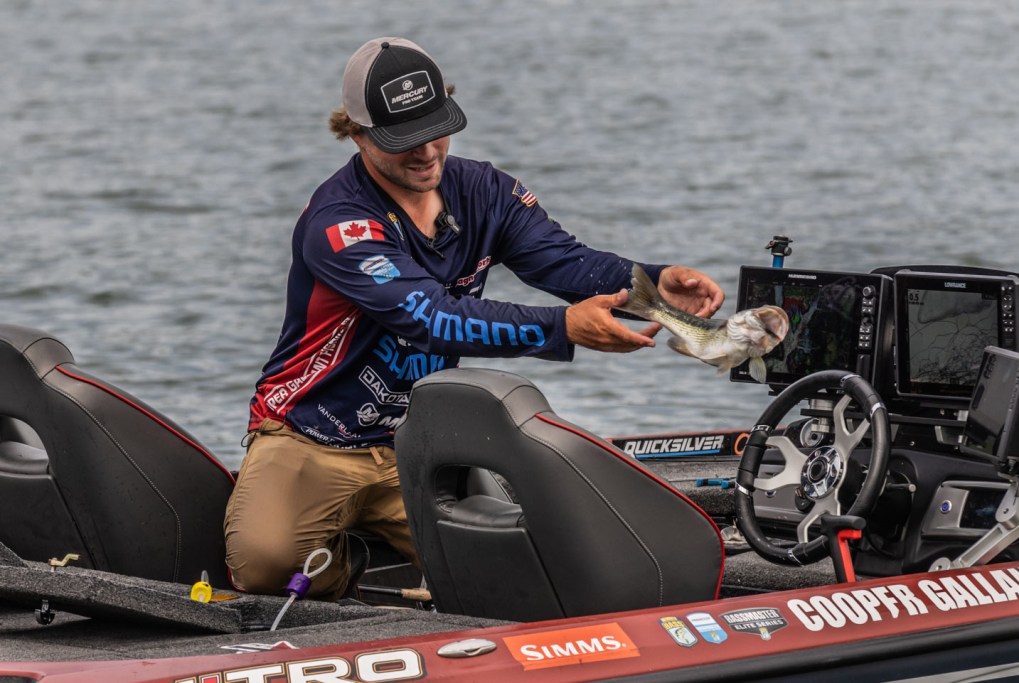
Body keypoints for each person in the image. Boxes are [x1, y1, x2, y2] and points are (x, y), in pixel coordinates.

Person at [223, 37, 725, 600]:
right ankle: (356, 560)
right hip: (312, 436)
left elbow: (565, 262)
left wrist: (653, 285)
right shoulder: (340, 223)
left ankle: (415, 558)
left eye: (436, 129)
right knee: (264, 568)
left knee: (524, 572)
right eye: (403, 141)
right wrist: (561, 329)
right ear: (357, 134)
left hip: (421, 441)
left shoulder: (486, 190)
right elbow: (429, 318)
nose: (426, 152)